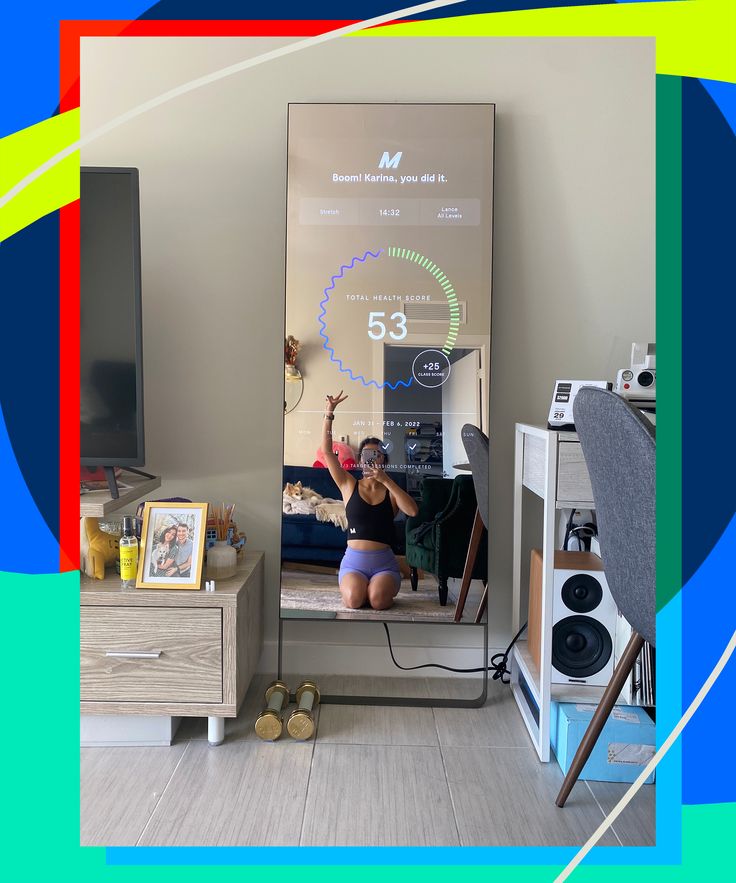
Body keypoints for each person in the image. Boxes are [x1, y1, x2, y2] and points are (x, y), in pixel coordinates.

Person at [322, 391, 418, 610]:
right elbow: (327, 452)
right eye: (366, 456)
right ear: (360, 461)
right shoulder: (349, 484)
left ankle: (374, 587)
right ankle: (357, 586)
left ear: (383, 459)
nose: (371, 460)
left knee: (378, 601)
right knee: (355, 600)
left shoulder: (392, 490)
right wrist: (329, 412)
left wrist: (386, 480)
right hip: (353, 564)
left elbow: (412, 511)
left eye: (376, 455)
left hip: (384, 565)